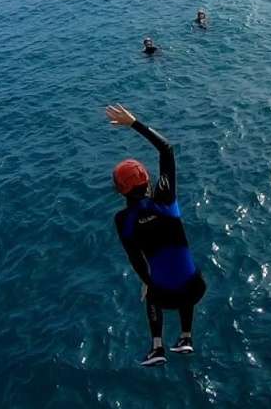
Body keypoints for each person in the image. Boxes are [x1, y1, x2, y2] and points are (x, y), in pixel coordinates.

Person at [106, 104, 206, 367]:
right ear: (147, 179)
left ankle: (157, 347)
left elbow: (137, 259)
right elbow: (166, 149)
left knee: (151, 292)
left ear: (120, 191)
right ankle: (186, 337)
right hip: (194, 289)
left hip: (164, 296)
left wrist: (147, 281)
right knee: (185, 276)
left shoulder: (123, 220)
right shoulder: (165, 198)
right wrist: (133, 123)